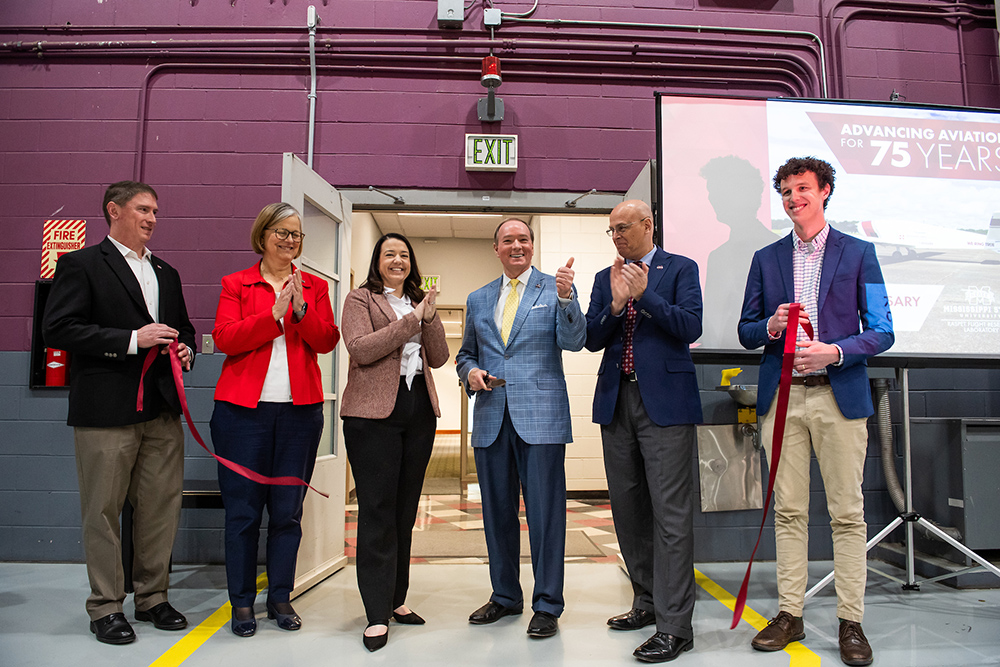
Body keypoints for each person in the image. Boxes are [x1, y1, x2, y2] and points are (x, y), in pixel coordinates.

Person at [738, 157, 893, 667]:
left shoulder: (860, 253)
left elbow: (884, 330)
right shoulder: (766, 258)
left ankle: (851, 622)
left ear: (824, 191)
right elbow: (746, 331)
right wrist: (772, 327)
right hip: (782, 398)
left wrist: (838, 351)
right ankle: (789, 613)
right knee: (789, 512)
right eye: (785, 190)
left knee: (847, 514)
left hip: (838, 394)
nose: (792, 197)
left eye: (802, 188)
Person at [42, 180, 196, 644]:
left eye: (155, 212)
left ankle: (152, 597)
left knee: (159, 509)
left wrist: (185, 348)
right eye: (142, 209)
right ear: (114, 211)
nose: (151, 218)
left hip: (162, 411)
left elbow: (183, 326)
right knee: (103, 511)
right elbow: (59, 328)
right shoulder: (81, 264)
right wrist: (132, 341)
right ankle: (106, 607)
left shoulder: (166, 272)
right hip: (105, 411)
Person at [210, 202, 340, 637]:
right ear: (262, 235)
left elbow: (326, 341)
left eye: (296, 235)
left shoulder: (315, 287)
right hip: (242, 416)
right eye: (281, 232)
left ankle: (280, 597)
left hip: (299, 414)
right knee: (243, 514)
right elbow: (226, 338)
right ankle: (242, 603)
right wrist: (272, 316)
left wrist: (300, 311)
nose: (289, 240)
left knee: (287, 513)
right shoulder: (237, 284)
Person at [584, 199, 704, 663]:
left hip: (666, 406)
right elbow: (592, 338)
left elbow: (689, 326)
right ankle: (646, 602)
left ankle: (676, 626)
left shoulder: (680, 268)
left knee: (670, 517)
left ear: (648, 225)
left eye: (623, 228)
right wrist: (615, 304)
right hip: (617, 403)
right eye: (611, 230)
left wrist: (644, 295)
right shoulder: (603, 277)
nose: (616, 236)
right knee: (628, 511)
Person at [456, 218, 586, 639]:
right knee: (497, 514)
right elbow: (465, 355)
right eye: (508, 240)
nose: (517, 245)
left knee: (546, 516)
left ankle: (547, 603)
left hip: (542, 419)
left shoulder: (555, 288)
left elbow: (574, 340)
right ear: (496, 248)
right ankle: (505, 596)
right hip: (492, 417)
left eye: (524, 239)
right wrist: (471, 372)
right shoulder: (478, 299)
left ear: (532, 246)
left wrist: (567, 299)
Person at [340, 233, 450, 652]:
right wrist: (411, 321)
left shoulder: (421, 302)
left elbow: (438, 357)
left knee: (404, 512)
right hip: (372, 418)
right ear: (378, 261)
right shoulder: (360, 300)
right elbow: (360, 349)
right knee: (377, 512)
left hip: (417, 412)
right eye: (390, 254)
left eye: (404, 255)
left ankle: (396, 599)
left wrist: (430, 316)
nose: (398, 261)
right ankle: (375, 612)